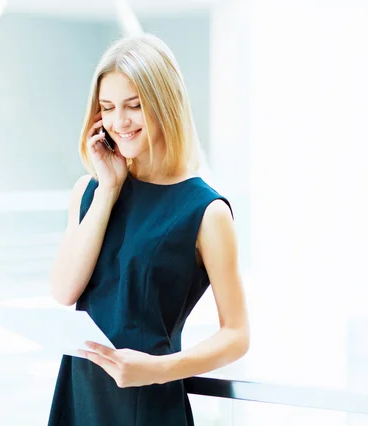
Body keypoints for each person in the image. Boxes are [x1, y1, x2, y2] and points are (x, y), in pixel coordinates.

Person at [47, 33, 250, 425]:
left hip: (148, 403)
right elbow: (64, 290)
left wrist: (159, 369)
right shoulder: (89, 191)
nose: (119, 121)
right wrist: (108, 188)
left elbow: (237, 334)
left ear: (164, 104)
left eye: (134, 106)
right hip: (79, 394)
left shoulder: (206, 211)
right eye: (107, 108)